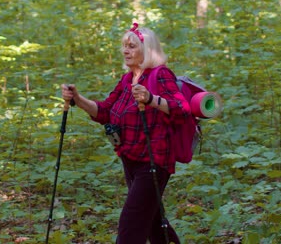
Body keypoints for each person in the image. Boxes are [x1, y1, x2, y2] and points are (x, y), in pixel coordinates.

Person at [61, 23, 190, 244]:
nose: (125, 50)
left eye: (131, 46)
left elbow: (182, 109)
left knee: (130, 226)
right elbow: (105, 111)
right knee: (153, 223)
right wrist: (78, 99)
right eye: (124, 46)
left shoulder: (160, 75)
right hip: (130, 158)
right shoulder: (127, 79)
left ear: (147, 50)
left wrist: (151, 99)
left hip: (154, 160)